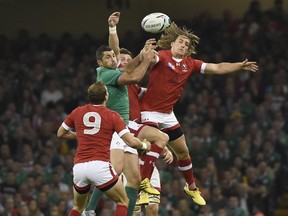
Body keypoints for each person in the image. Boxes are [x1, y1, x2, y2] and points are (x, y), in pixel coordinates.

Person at [140, 22, 258, 206]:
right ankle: (143, 183)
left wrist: (239, 66)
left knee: (183, 152)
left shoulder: (190, 64)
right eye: (180, 42)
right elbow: (148, 59)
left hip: (168, 114)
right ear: (172, 43)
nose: (183, 46)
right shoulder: (161, 57)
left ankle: (191, 188)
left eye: (186, 44)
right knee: (159, 140)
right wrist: (146, 53)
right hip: (148, 111)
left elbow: (217, 68)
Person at [83, 36, 157, 216]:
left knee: (134, 179)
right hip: (113, 129)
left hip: (124, 129)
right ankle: (89, 208)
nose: (113, 59)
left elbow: (129, 66)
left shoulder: (113, 69)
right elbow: (135, 76)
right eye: (108, 57)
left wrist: (141, 53)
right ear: (100, 62)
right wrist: (146, 60)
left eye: (113, 56)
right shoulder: (105, 74)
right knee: (114, 170)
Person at [57, 81, 152, 216]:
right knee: (123, 201)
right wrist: (144, 145)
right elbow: (130, 141)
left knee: (78, 206)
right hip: (99, 166)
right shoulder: (112, 115)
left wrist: (82, 135)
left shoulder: (77, 111)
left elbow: (61, 133)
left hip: (79, 167)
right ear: (106, 97)